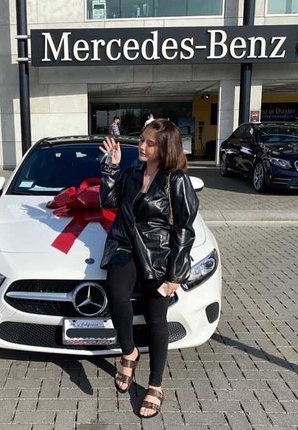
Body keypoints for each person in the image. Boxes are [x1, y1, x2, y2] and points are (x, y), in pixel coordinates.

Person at [99, 119, 199, 419]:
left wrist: (175, 275)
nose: (141, 146)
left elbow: (184, 230)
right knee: (117, 295)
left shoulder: (176, 180)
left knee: (156, 318)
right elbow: (109, 201)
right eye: (142, 139)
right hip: (125, 245)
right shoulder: (132, 172)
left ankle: (155, 385)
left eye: (149, 143)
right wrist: (112, 167)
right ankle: (129, 352)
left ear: (165, 148)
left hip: (158, 254)